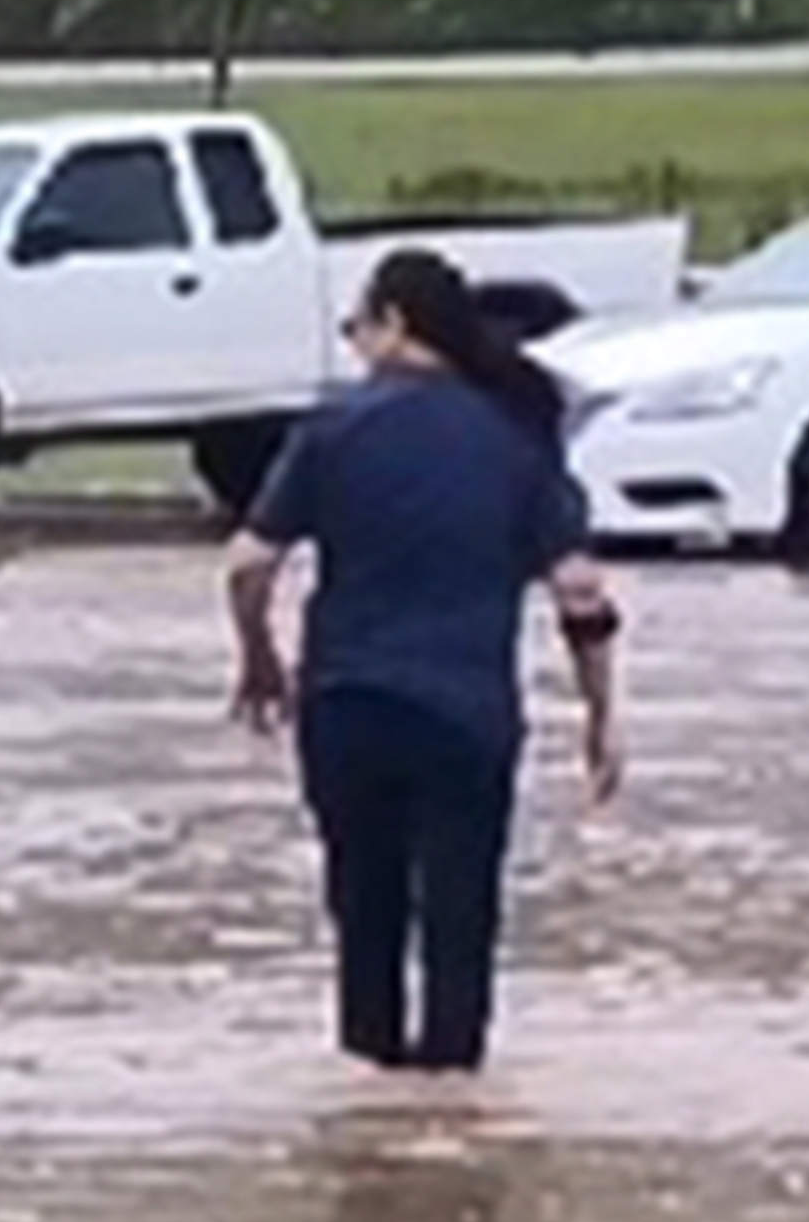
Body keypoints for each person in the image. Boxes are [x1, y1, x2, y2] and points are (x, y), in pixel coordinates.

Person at [226, 248, 623, 1073]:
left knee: (364, 926)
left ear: (395, 322)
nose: (355, 347)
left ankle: (371, 1149)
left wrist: (259, 658)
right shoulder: (513, 435)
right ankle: (452, 1148)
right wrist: (601, 716)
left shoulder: (332, 432)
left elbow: (248, 564)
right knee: (459, 931)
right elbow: (580, 592)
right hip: (468, 720)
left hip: (347, 712)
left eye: (357, 328)